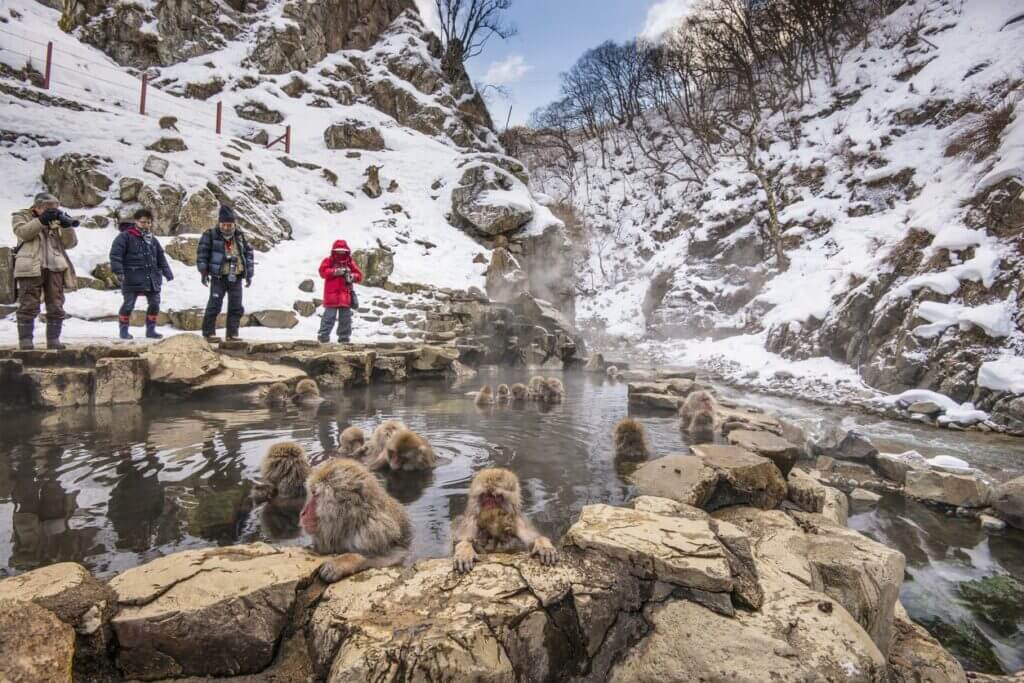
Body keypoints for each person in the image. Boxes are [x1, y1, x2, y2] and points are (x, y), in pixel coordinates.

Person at [11, 192, 78, 350]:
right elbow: (23, 233)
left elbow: (70, 243)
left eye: (56, 207)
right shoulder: (21, 216)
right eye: (49, 208)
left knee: (56, 304)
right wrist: (41, 220)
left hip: (55, 266)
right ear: (38, 206)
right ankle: (25, 340)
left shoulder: (57, 220)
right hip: (30, 266)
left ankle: (53, 339)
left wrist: (66, 225)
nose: (53, 210)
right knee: (28, 303)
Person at [109, 208, 174, 340]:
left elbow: (160, 257)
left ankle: (151, 330)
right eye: (143, 222)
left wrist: (167, 272)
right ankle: (123, 331)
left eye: (149, 222)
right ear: (136, 221)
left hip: (152, 277)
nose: (146, 225)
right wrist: (119, 272)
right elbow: (115, 255)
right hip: (131, 277)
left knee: (155, 304)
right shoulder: (124, 237)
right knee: (128, 304)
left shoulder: (152, 239)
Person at [196, 205, 253, 343]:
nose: (227, 227)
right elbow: (202, 254)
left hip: (236, 276)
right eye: (224, 224)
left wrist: (249, 274)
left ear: (234, 223)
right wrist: (204, 272)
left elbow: (248, 254)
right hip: (218, 277)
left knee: (236, 306)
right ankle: (208, 333)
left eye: (229, 224)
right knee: (214, 305)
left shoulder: (240, 236)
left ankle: (232, 334)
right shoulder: (210, 235)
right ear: (219, 223)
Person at [317, 239, 362, 343]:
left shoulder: (350, 263)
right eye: (338, 250)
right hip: (331, 296)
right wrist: (335, 272)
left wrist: (352, 276)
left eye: (342, 250)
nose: (341, 252)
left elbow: (359, 276)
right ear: (334, 250)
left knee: (345, 319)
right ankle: (323, 336)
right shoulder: (328, 260)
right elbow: (322, 272)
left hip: (345, 296)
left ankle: (344, 338)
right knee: (329, 317)